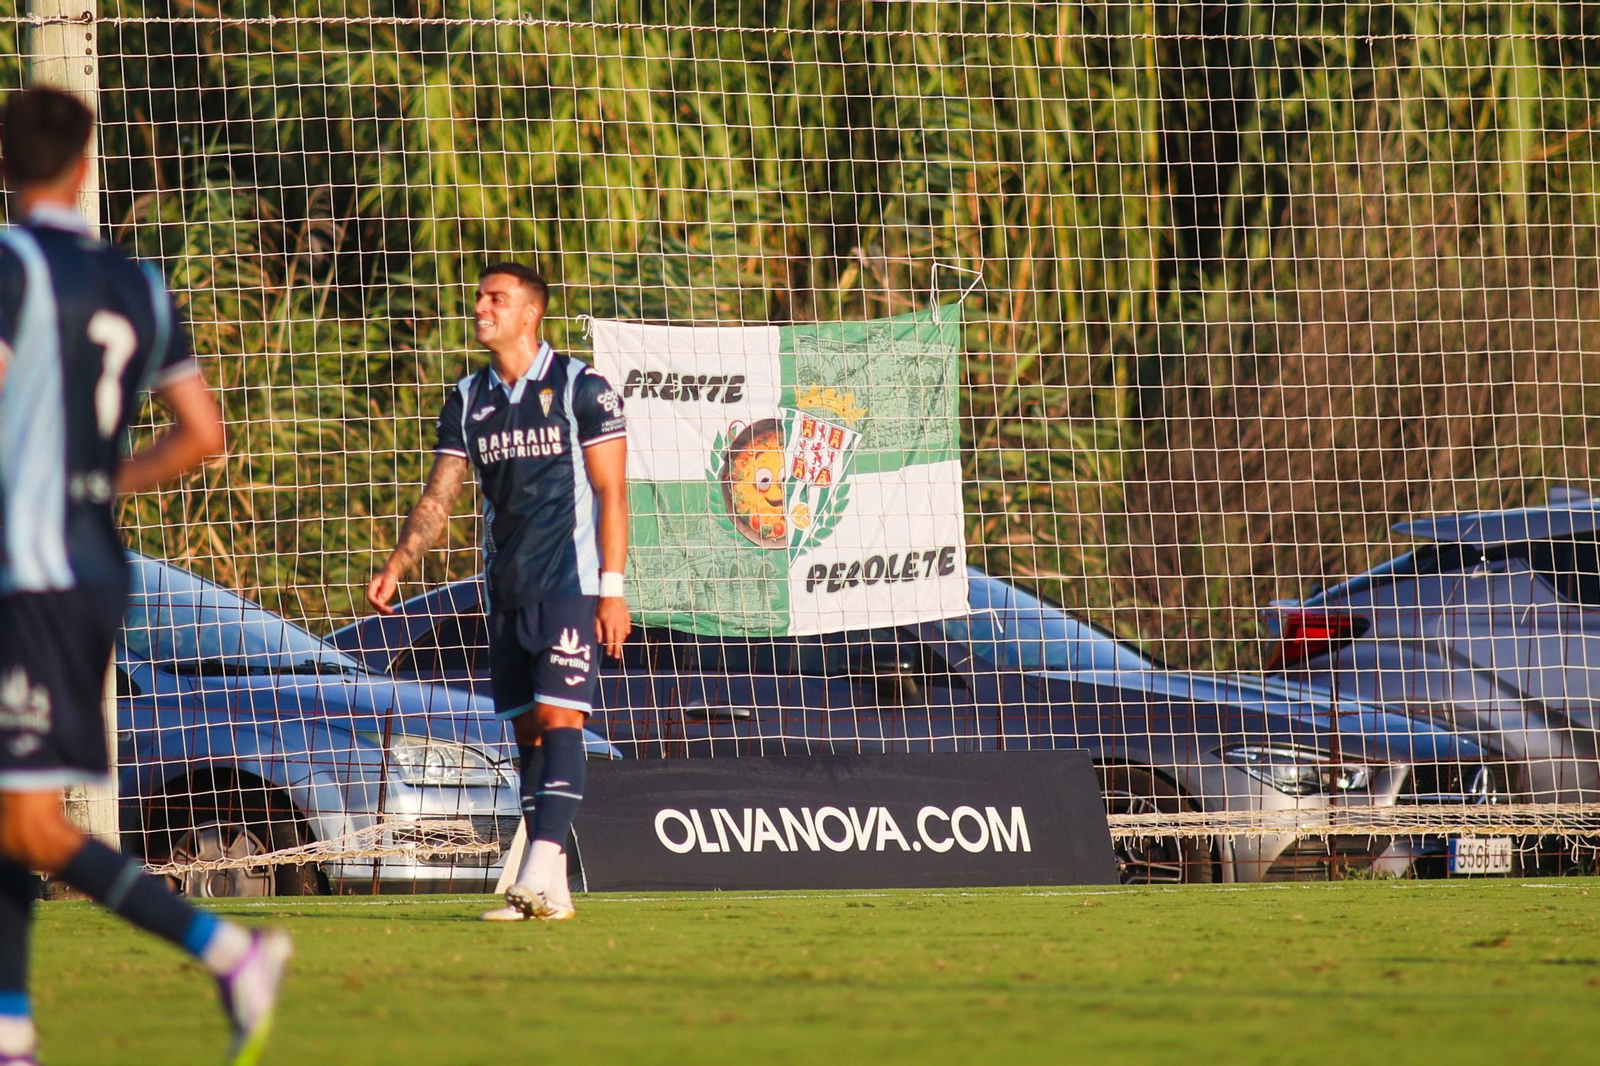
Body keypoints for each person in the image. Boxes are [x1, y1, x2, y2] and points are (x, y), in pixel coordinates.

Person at [0, 87, 290, 1066]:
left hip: (28, 572)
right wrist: (101, 478)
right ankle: (12, 1031)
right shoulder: (139, 282)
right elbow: (204, 432)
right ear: (83, 168)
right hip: (93, 564)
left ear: (6, 169)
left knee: (31, 822)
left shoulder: (10, 268)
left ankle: (228, 948)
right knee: (16, 806)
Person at [367, 263, 629, 922]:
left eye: (496, 299)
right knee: (530, 739)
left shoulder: (581, 388)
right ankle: (555, 889)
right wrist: (399, 563)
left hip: (569, 586)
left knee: (563, 720)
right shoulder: (467, 399)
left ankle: (533, 872)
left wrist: (613, 589)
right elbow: (440, 497)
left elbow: (612, 492)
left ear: (530, 313)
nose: (481, 307)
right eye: (479, 297)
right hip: (504, 593)